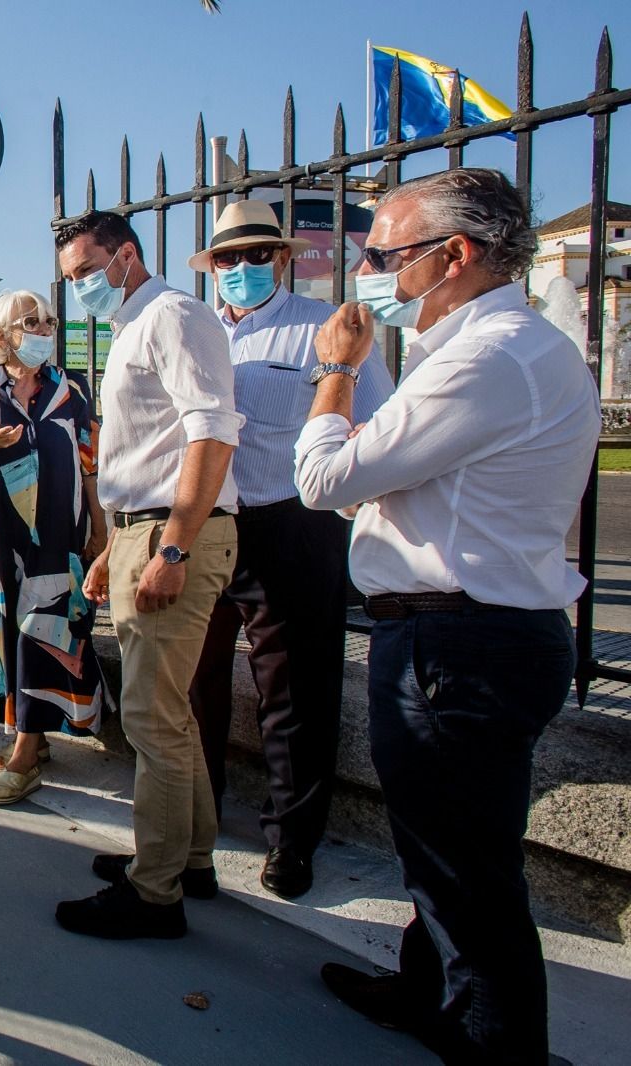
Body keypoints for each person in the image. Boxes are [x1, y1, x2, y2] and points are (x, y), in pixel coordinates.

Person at [294, 168, 597, 1065]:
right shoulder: (512, 349)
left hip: (457, 643)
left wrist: (336, 372)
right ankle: (423, 987)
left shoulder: (486, 358)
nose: (367, 274)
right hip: (479, 633)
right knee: (452, 848)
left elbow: (324, 479)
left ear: (454, 254)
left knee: (466, 874)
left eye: (384, 255)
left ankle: (492, 1042)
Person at [184, 200, 395, 900]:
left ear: (281, 257)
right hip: (208, 521)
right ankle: (198, 816)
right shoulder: (199, 333)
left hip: (293, 522)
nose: (240, 268)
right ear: (211, 267)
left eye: (255, 255)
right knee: (193, 680)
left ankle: (293, 840)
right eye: (227, 258)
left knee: (295, 690)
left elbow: (378, 424)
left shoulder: (326, 329)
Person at [51, 209, 242, 940]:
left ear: (126, 255)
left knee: (151, 719)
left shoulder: (173, 316)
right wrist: (116, 547)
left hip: (173, 532)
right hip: (146, 529)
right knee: (169, 713)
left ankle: (154, 891)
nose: (80, 288)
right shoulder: (134, 325)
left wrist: (173, 548)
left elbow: (210, 433)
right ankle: (187, 859)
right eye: (71, 278)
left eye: (86, 271)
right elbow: (147, 453)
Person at [0, 290, 109, 803]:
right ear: (4, 333)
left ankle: (24, 753)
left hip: (59, 535)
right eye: (30, 322)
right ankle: (29, 738)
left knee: (46, 628)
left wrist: (100, 527)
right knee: (7, 631)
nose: (43, 330)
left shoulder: (72, 389)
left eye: (48, 321)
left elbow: (90, 464)